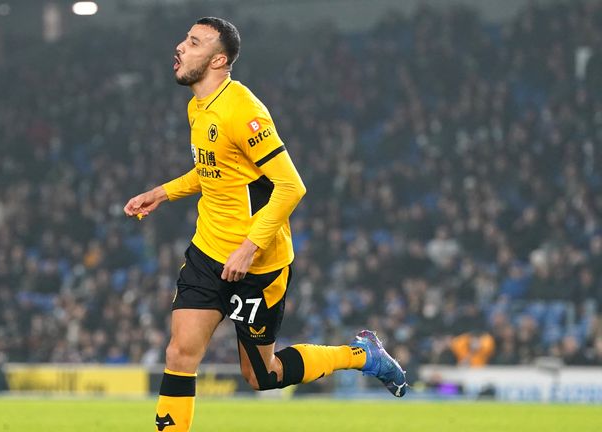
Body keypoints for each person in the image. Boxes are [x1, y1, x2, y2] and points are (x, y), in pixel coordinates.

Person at [124, 17, 407, 432]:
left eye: (194, 42)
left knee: (263, 376)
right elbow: (213, 170)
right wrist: (163, 192)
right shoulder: (197, 106)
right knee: (179, 355)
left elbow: (292, 186)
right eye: (185, 38)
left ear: (219, 59)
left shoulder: (244, 110)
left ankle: (362, 356)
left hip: (258, 265)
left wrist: (250, 246)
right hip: (208, 254)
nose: (181, 47)